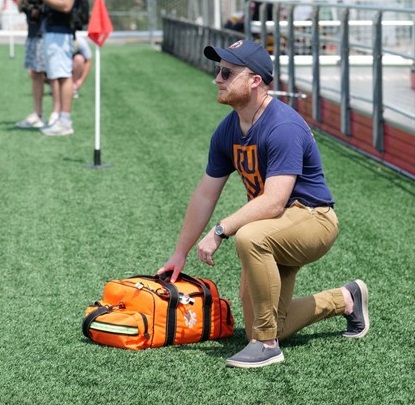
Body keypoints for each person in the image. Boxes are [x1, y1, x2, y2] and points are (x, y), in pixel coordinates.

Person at [157, 40, 369, 369]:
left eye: (227, 72)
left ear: (255, 80)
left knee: (249, 237)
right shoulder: (227, 130)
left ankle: (268, 346)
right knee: (263, 322)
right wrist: (179, 253)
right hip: (274, 226)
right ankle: (345, 299)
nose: (217, 79)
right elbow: (205, 194)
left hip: (313, 220)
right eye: (218, 71)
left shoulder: (282, 125)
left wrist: (220, 230)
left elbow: (273, 202)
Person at [15, 0, 58, 128]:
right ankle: (38, 114)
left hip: (47, 33)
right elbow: (21, 8)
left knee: (53, 75)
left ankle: (56, 114)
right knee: (35, 73)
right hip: (33, 34)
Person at [39, 0, 75, 137]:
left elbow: (66, 6)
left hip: (60, 34)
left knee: (64, 76)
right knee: (58, 77)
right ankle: (61, 118)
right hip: (54, 33)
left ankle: (65, 121)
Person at [72, 34, 92, 99]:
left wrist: (81, 81)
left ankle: (72, 87)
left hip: (71, 67)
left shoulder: (79, 41)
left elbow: (88, 60)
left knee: (79, 59)